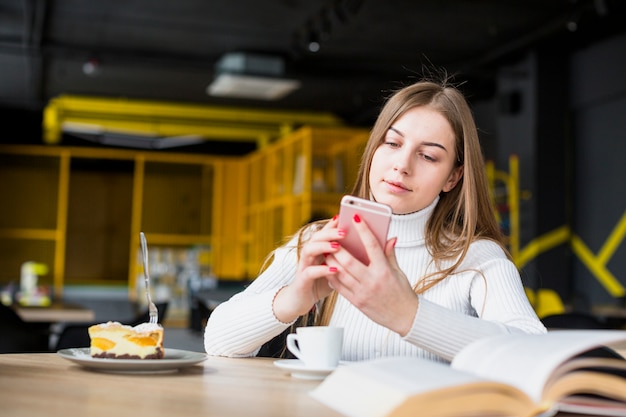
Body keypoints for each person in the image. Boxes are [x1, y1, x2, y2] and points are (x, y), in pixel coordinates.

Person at [204, 75, 546, 363]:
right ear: (373, 150)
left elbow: (533, 354)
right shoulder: (319, 241)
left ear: (453, 178)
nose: (402, 164)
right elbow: (217, 341)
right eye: (392, 143)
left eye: (427, 155)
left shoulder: (476, 257)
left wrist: (408, 314)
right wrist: (294, 298)